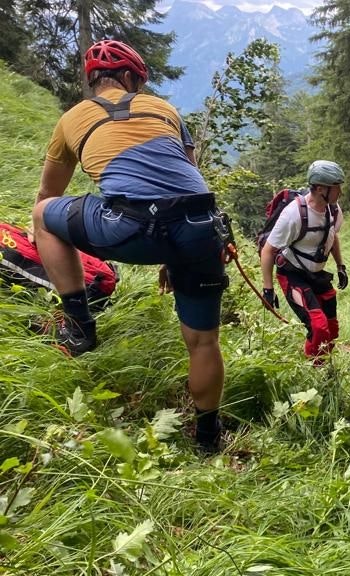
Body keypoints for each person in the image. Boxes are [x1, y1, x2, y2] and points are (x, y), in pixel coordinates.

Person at [29, 39, 228, 451]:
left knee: (42, 215)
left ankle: (80, 325)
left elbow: (49, 192)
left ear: (93, 80)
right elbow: (187, 178)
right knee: (204, 341)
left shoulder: (71, 119)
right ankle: (209, 438)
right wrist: (175, 255)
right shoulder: (165, 109)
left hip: (128, 227)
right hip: (200, 226)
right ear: (130, 77)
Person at [260, 161, 347, 361]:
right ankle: (312, 369)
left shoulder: (333, 211)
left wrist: (341, 266)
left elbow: (332, 237)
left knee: (331, 330)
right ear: (319, 188)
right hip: (294, 275)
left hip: (317, 275)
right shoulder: (293, 215)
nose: (340, 192)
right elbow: (268, 250)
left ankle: (323, 364)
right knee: (319, 327)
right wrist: (268, 289)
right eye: (336, 187)